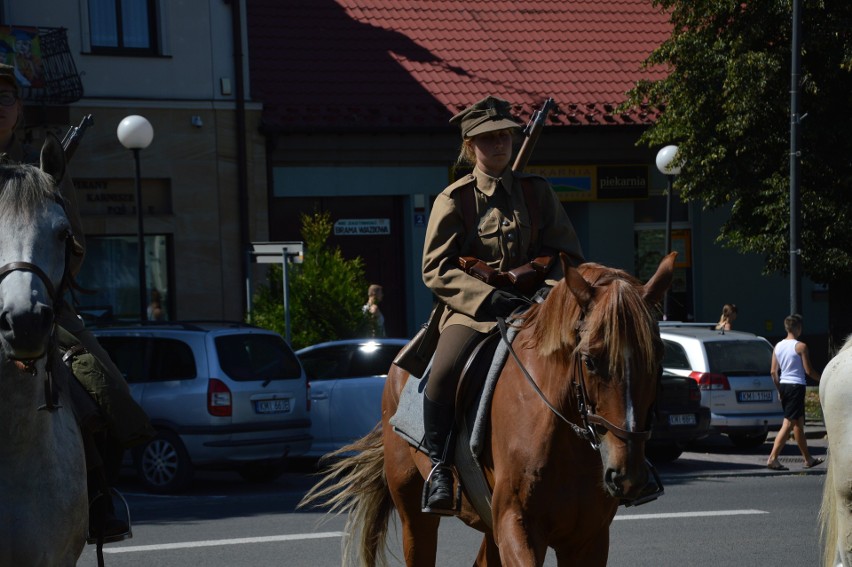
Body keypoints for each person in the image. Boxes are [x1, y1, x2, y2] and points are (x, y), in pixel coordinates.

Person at [0, 63, 154, 538]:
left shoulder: (43, 167)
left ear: (19, 108)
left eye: (6, 96)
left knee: (107, 393)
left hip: (45, 304)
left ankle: (97, 500)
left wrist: (45, 283)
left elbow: (74, 242)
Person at [419, 95, 584, 514]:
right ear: (469, 145)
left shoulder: (537, 192)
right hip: (473, 314)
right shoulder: (454, 200)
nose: (499, 144)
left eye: (505, 136)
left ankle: (615, 453)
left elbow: (567, 255)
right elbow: (435, 269)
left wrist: (547, 291)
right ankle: (439, 468)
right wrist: (486, 297)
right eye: (488, 138)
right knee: (442, 373)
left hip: (537, 306)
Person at [766, 314, 823, 470]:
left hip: (784, 385)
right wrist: (823, 379)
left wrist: (779, 389)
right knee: (788, 423)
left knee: (798, 424)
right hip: (796, 386)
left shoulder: (777, 346)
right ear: (798, 328)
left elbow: (773, 372)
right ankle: (772, 458)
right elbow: (809, 371)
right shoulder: (801, 347)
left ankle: (807, 459)